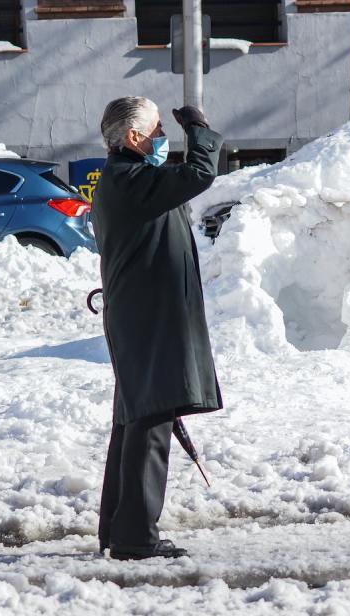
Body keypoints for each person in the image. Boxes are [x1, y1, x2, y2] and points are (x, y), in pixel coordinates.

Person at [90, 96, 224, 560]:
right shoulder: (131, 181)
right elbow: (199, 175)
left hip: (142, 314)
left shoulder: (129, 179)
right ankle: (134, 537)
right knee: (149, 422)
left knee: (135, 421)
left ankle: (120, 528)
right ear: (133, 138)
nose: (161, 138)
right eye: (156, 131)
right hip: (148, 318)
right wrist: (200, 131)